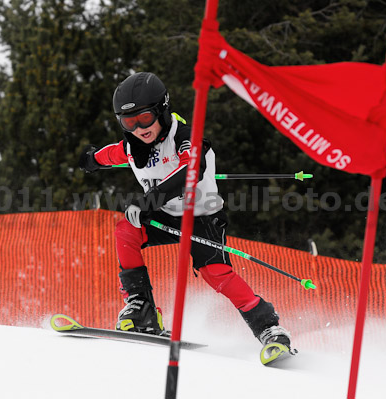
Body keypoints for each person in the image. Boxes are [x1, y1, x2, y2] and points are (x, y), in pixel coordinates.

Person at [78, 72, 292, 350]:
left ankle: (270, 328)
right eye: (129, 122)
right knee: (125, 231)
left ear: (161, 110)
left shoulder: (185, 137)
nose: (139, 128)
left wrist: (149, 200)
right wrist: (92, 158)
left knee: (216, 273)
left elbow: (190, 170)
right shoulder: (133, 146)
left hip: (202, 216)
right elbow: (111, 154)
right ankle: (141, 308)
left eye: (145, 118)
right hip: (165, 213)